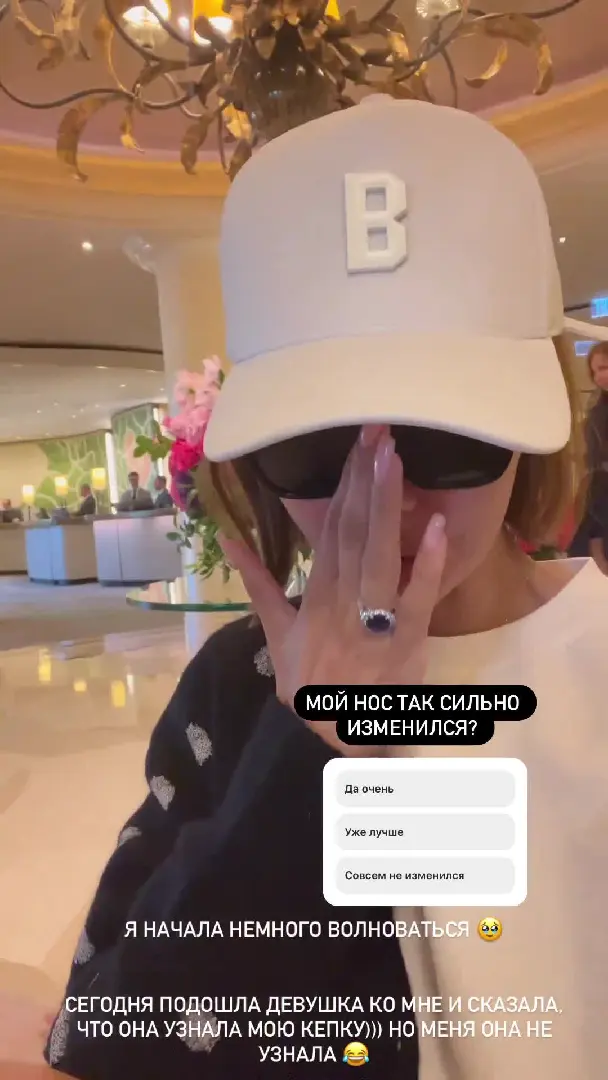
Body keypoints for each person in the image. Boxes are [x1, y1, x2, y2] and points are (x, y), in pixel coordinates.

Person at [44, 100, 608, 1080]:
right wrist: (313, 748)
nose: (379, 495)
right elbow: (111, 1034)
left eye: (444, 432)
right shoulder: (238, 688)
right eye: (316, 447)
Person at [568, 340, 608, 570]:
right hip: (599, 482)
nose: (599, 377)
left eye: (603, 368)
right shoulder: (597, 408)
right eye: (595, 372)